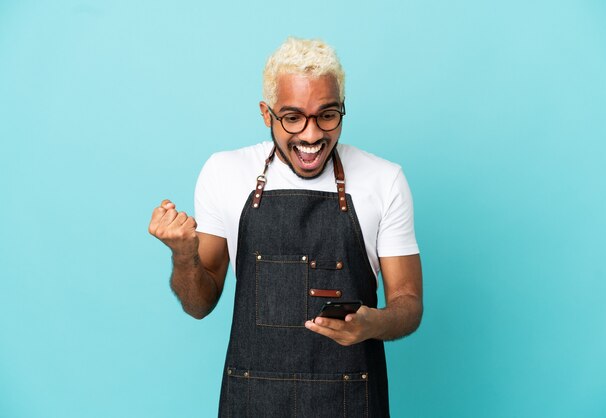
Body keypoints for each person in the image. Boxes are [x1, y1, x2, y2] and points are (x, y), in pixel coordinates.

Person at [148, 37, 423, 417]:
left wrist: (373, 323)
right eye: (293, 118)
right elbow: (198, 304)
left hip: (348, 400)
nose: (311, 135)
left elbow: (409, 304)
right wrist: (183, 255)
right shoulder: (225, 172)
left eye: (327, 115)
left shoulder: (384, 179)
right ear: (267, 114)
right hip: (253, 400)